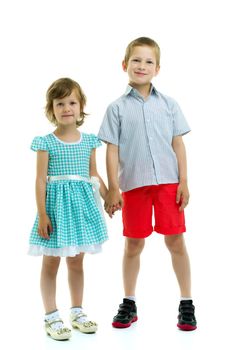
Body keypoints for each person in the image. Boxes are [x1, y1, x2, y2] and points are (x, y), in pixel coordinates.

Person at [98, 37, 197, 331]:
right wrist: (114, 187)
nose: (142, 66)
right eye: (136, 60)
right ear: (125, 65)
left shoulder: (169, 105)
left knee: (176, 241)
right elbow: (112, 149)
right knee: (133, 244)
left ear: (157, 68)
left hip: (168, 184)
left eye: (148, 61)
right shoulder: (116, 108)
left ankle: (187, 302)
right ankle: (129, 301)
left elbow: (178, 144)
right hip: (133, 186)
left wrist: (184, 182)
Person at [29, 77, 108, 340]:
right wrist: (42, 213)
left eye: (72, 102)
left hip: (81, 211)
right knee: (51, 262)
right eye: (60, 103)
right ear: (51, 109)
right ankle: (51, 316)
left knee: (76, 262)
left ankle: (77, 311)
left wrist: (109, 197)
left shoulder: (89, 141)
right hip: (55, 209)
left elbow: (94, 175)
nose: (66, 108)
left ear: (81, 106)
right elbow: (41, 180)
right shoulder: (45, 142)